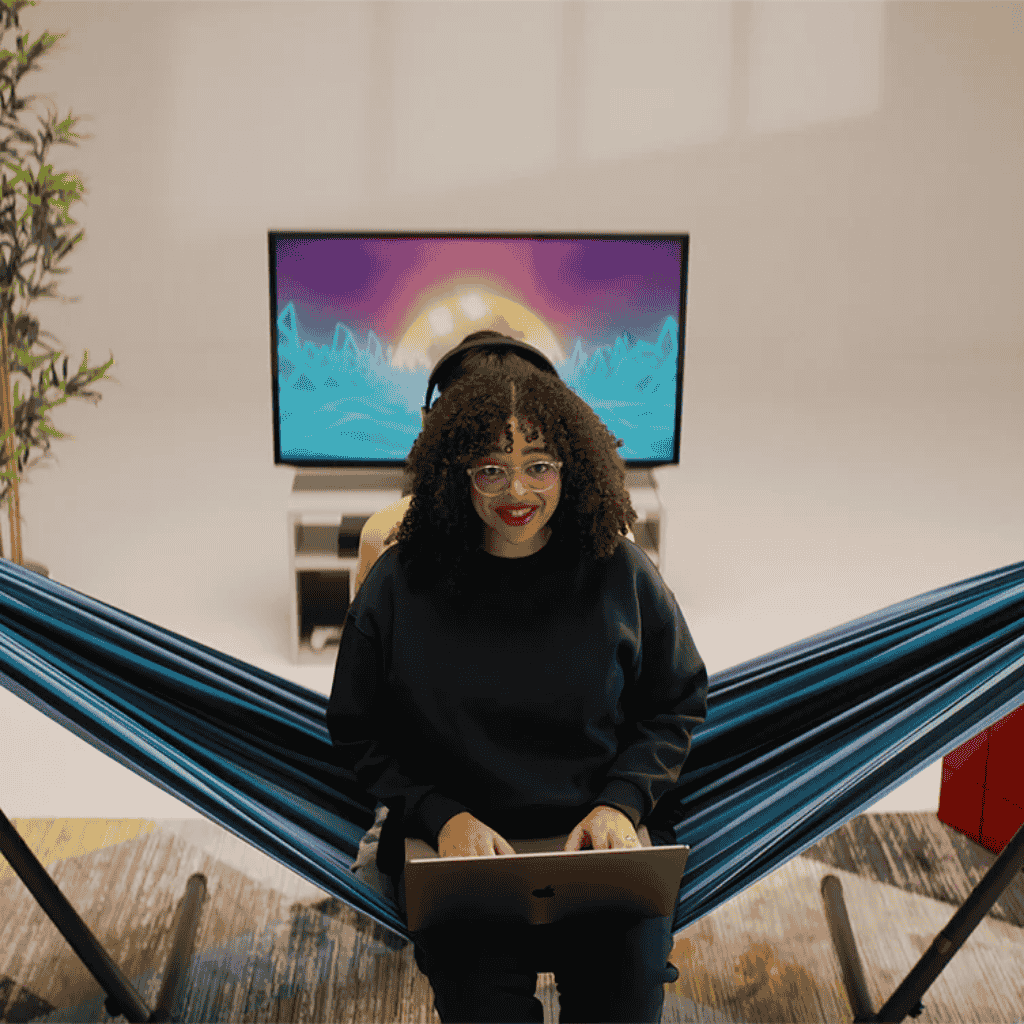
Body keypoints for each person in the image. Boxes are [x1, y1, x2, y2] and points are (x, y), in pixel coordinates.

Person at [328, 332, 708, 1023]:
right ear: (455, 471)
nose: (518, 491)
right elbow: (358, 731)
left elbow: (675, 703)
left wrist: (622, 804)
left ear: (572, 463)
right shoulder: (400, 581)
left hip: (598, 846)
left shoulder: (619, 571)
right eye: (490, 470)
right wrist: (441, 817)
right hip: (460, 856)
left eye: (539, 465)